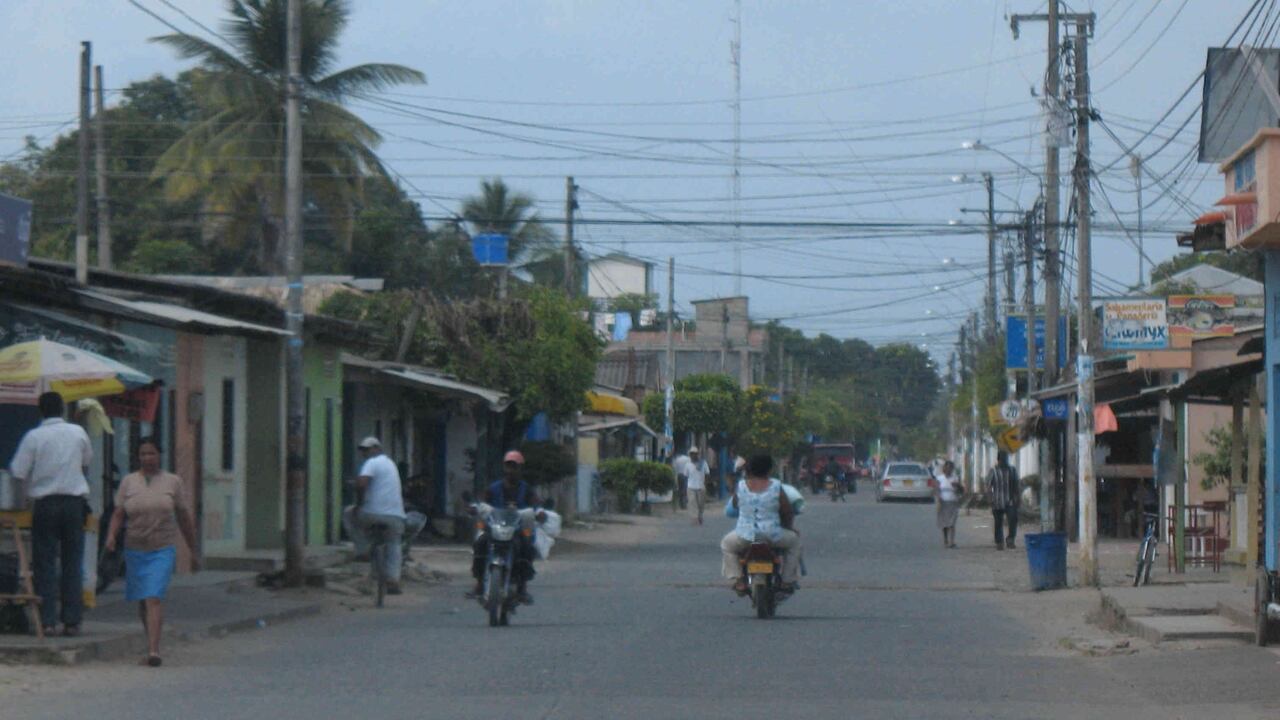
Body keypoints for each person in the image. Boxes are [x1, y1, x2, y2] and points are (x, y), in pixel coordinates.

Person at [102, 438, 198, 667]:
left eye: (152, 453)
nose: (147, 458)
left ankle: (154, 651)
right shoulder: (128, 482)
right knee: (143, 599)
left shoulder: (172, 482)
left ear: (159, 455)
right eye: (143, 454)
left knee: (153, 596)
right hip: (135, 547)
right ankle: (150, 641)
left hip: (162, 547)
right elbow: (118, 513)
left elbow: (184, 517)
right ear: (138, 457)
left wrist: (192, 549)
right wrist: (111, 536)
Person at [8, 391, 92, 637]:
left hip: (45, 505)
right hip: (74, 504)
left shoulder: (34, 437)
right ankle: (72, 621)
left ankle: (47, 621)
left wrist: (23, 497)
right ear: (62, 409)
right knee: (72, 562)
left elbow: (17, 471)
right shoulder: (78, 433)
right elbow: (87, 461)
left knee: (44, 563)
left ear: (40, 411)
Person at [720, 454, 802, 594]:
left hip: (744, 535)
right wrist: (789, 527)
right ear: (769, 469)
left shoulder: (741, 486)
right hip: (772, 535)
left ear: (750, 469)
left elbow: (734, 505)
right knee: (794, 543)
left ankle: (738, 580)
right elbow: (787, 511)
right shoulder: (776, 486)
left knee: (727, 545)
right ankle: (787, 580)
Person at [469, 450, 540, 603]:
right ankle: (480, 583)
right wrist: (475, 507)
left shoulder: (527, 489)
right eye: (508, 466)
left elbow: (535, 505)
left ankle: (522, 587)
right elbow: (483, 502)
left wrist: (539, 513)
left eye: (514, 467)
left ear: (520, 469)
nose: (510, 470)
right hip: (496, 528)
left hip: (517, 530)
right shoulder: (494, 488)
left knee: (527, 548)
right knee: (480, 543)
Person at [342, 437, 408, 594]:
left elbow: (361, 484)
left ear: (377, 449)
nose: (365, 453)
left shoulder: (372, 463)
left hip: (371, 514)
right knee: (394, 543)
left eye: (367, 449)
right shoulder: (391, 464)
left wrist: (359, 504)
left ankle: (362, 549)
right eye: (363, 450)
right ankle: (393, 579)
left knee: (348, 514)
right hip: (395, 515)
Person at [986, 450, 1021, 550]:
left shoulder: (1012, 470)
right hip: (997, 501)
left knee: (1013, 519)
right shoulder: (993, 471)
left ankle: (1010, 539)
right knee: (998, 522)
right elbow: (988, 486)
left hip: (1010, 500)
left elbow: (1017, 485)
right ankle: (999, 542)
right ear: (998, 459)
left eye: (1006, 458)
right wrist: (990, 498)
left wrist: (1018, 498)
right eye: (1002, 458)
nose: (1004, 460)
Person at [933, 460, 963, 549]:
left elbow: (961, 490)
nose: (949, 470)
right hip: (943, 502)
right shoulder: (939, 478)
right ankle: (946, 540)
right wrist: (938, 500)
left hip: (953, 502)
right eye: (947, 468)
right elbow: (937, 490)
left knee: (952, 523)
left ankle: (952, 542)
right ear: (944, 468)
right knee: (945, 523)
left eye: (950, 468)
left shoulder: (955, 478)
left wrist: (958, 486)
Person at [685, 448, 710, 525]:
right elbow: (686, 475)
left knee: (701, 504)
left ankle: (700, 515)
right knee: (692, 503)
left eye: (695, 453)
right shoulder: (688, 464)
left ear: (697, 454)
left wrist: (706, 484)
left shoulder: (703, 463)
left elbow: (707, 474)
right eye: (692, 454)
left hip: (701, 487)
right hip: (691, 487)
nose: (693, 455)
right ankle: (694, 518)